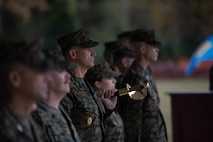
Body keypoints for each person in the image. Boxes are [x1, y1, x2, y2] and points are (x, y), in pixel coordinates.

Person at [57, 28, 118, 142]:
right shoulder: (66, 87)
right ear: (73, 54)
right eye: (88, 49)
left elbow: (95, 128)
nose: (93, 53)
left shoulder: (87, 85)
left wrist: (108, 110)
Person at [118, 29, 168, 142]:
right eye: (153, 46)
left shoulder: (147, 73)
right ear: (143, 49)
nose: (157, 49)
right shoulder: (135, 78)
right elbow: (133, 120)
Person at [0, 40, 52, 141]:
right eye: (41, 72)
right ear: (15, 78)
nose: (48, 78)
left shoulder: (28, 120)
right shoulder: (3, 127)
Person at [32, 46, 81, 142]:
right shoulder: (37, 115)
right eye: (60, 71)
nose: (68, 75)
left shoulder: (59, 110)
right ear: (44, 76)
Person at [85, 63, 125, 142]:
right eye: (109, 78)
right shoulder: (91, 107)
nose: (115, 81)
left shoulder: (106, 104)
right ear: (98, 84)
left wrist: (109, 109)